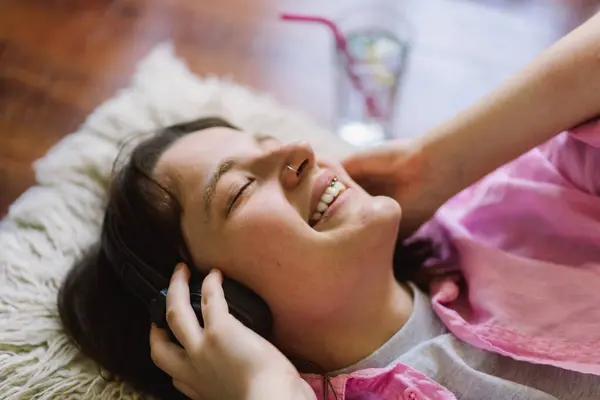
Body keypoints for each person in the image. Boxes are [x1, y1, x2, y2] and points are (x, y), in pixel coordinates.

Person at [58, 11, 600, 400]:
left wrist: (434, 163)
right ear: (218, 308)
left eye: (268, 143)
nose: (299, 152)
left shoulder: (504, 213)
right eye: (241, 190)